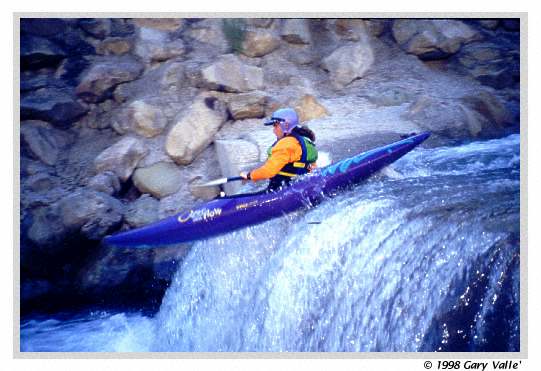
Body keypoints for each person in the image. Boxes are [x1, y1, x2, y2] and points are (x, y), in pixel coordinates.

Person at [240, 107, 318, 192]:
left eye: (275, 126)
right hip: (299, 184)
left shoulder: (286, 144)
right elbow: (312, 167)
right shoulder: (304, 139)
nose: (274, 131)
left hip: (284, 188)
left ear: (286, 125)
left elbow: (269, 171)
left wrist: (249, 175)